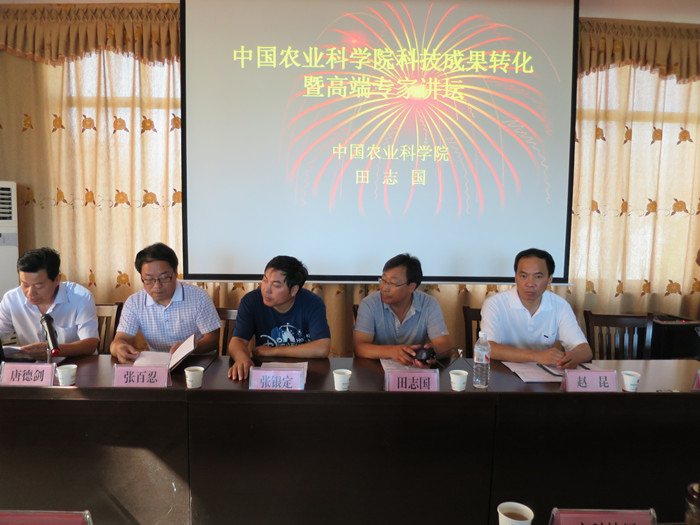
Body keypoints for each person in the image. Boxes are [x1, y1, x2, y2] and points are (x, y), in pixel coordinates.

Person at [480, 248, 592, 369]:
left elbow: (585, 350)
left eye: (538, 276)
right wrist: (536, 356)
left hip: (543, 374)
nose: (530, 283)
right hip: (502, 372)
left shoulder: (560, 305)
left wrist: (572, 357)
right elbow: (489, 347)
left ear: (549, 279)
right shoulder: (495, 304)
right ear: (516, 277)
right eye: (523, 276)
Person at [110, 242, 220, 364]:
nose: (157, 285)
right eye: (149, 279)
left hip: (196, 363)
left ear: (175, 272)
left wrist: (188, 348)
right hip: (158, 364)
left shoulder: (198, 297)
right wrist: (119, 348)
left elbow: (213, 339)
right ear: (141, 277)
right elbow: (119, 340)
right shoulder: (134, 302)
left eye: (164, 277)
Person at [227, 255, 331, 381]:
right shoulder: (251, 301)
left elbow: (322, 348)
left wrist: (272, 351)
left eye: (276, 285)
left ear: (293, 290)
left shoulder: (312, 303)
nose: (266, 289)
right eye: (265, 280)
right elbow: (237, 341)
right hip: (266, 377)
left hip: (306, 375)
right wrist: (242, 359)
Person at [353, 253, 451, 367]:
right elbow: (360, 347)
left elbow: (445, 346)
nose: (384, 288)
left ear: (411, 287)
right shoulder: (370, 304)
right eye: (383, 280)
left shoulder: (429, 304)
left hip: (415, 370)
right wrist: (391, 351)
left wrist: (430, 353)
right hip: (376, 371)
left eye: (392, 283)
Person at [0, 247, 98, 359]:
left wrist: (52, 350)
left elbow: (90, 344)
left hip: (75, 365)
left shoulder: (80, 298)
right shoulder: (12, 299)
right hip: (33, 366)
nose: (30, 293)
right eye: (25, 285)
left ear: (57, 280)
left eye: (38, 286)